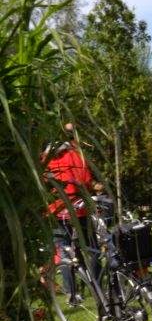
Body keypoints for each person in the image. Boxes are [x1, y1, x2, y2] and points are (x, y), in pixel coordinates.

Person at [43, 123, 98, 298]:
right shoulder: (76, 155)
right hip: (79, 210)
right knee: (92, 248)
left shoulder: (45, 158)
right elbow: (86, 181)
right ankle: (96, 284)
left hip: (56, 211)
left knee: (65, 250)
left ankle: (72, 293)